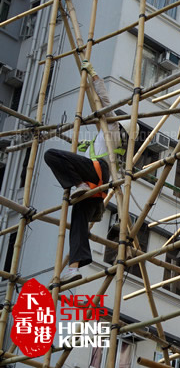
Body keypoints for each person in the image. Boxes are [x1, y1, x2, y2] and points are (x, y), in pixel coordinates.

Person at [44, 60, 130, 285]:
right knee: (78, 225)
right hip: (97, 190)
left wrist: (94, 77)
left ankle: (78, 184)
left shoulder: (113, 129)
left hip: (96, 173)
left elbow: (104, 101)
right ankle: (74, 267)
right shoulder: (110, 140)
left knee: (51, 155)